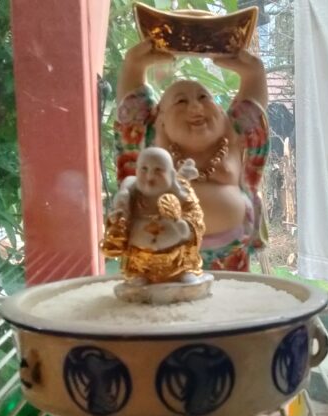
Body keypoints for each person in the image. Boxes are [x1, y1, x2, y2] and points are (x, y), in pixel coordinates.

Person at [114, 40, 269, 271]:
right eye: (181, 101)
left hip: (229, 257)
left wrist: (253, 72)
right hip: (162, 258)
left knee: (231, 293)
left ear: (221, 114)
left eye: (204, 98)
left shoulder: (235, 138)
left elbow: (252, 106)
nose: (196, 108)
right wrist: (134, 66)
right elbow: (131, 111)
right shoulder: (151, 143)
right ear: (159, 120)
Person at [102, 147, 205, 285]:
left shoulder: (181, 194)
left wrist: (179, 223)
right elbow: (119, 223)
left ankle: (183, 272)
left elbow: (195, 220)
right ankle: (139, 274)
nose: (150, 177)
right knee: (137, 277)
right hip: (140, 259)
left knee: (185, 260)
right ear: (136, 171)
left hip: (177, 258)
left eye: (158, 170)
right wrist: (119, 217)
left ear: (171, 174)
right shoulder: (131, 194)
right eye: (144, 169)